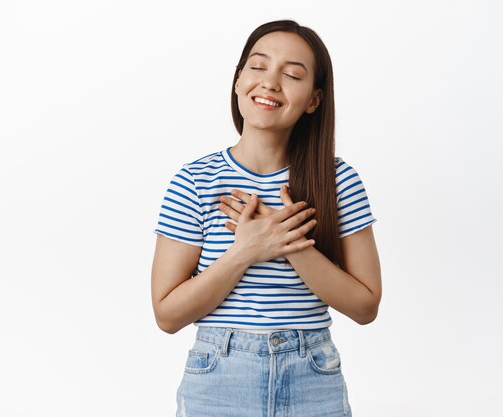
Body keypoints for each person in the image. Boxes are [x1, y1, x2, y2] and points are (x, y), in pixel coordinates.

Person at [151, 19, 381, 417]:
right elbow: (167, 315)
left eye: (292, 74)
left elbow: (365, 306)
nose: (271, 82)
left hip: (313, 373)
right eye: (258, 67)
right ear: (238, 80)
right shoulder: (194, 181)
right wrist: (245, 250)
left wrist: (288, 243)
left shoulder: (337, 180)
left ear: (313, 99)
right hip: (218, 376)